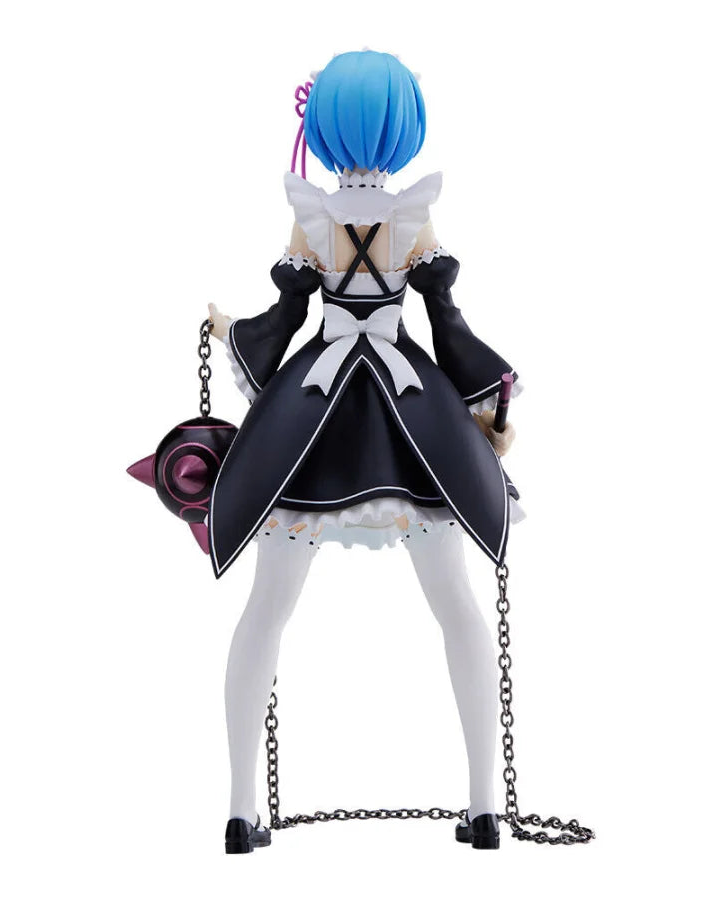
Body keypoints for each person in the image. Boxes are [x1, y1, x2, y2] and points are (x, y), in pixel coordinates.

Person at [206, 50, 523, 853]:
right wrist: (485, 400)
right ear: (404, 126)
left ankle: (241, 810)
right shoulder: (413, 213)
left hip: (315, 413)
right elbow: (446, 321)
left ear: (322, 126)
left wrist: (230, 334)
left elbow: (282, 321)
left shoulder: (311, 211)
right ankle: (484, 806)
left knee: (266, 608)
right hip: (409, 412)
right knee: (457, 605)